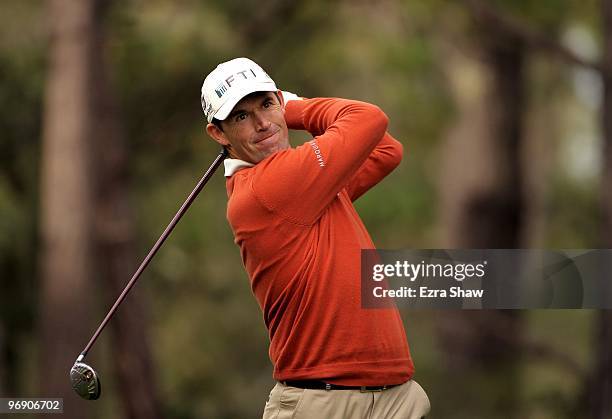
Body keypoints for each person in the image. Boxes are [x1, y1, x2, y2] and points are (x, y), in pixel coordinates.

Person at [201, 57, 430, 419]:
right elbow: (369, 119)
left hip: (393, 397)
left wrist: (283, 108)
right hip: (322, 404)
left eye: (266, 104)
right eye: (241, 117)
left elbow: (386, 151)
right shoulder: (267, 188)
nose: (262, 123)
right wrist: (295, 109)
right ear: (218, 133)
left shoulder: (307, 184)